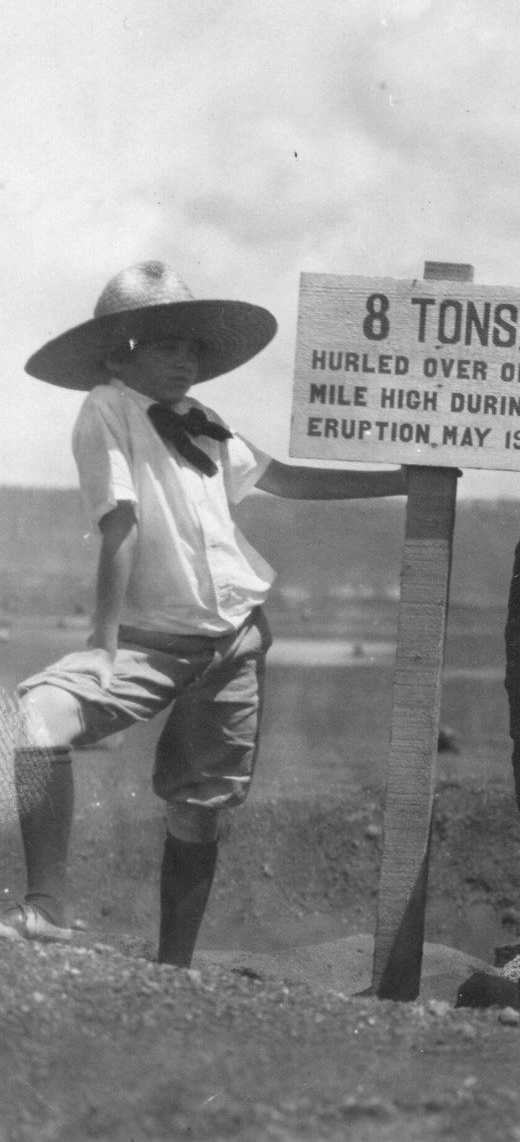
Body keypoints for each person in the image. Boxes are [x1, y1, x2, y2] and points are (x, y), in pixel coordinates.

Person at [4, 261, 410, 965]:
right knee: (34, 719)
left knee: (199, 807)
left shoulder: (206, 422)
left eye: (192, 347)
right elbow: (119, 523)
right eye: (167, 345)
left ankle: (175, 969)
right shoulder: (106, 408)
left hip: (235, 639)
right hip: (149, 642)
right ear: (119, 353)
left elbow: (279, 476)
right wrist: (101, 644)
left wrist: (402, 481)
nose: (187, 358)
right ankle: (46, 907)